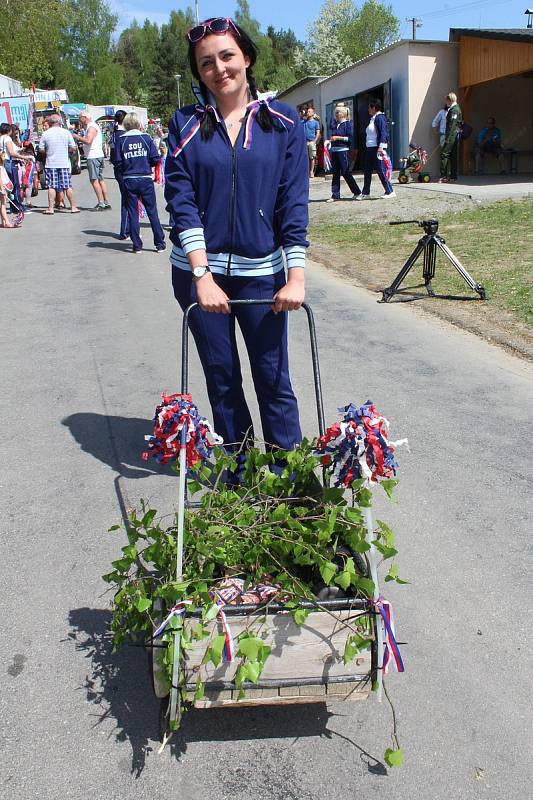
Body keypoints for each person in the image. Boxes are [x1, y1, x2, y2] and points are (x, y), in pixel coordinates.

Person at [165, 16, 308, 474]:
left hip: (260, 273)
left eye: (227, 56)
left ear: (246, 57)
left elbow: (293, 204)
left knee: (272, 377)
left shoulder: (282, 122)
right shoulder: (185, 123)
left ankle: (292, 481)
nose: (219, 68)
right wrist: (202, 275)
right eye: (206, 62)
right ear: (198, 71)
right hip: (197, 274)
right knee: (223, 379)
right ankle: (242, 478)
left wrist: (296, 274)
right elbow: (180, 199)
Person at [115, 112, 165, 254]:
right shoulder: (146, 138)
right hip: (145, 178)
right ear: (139, 123)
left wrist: (126, 169)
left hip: (129, 179)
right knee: (152, 211)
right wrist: (145, 163)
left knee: (133, 212)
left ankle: (137, 245)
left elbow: (117, 162)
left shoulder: (121, 140)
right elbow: (155, 158)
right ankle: (159, 243)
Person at [38, 114, 80, 214]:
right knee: (67, 185)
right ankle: (73, 207)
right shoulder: (66, 132)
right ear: (59, 122)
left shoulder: (46, 134)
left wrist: (47, 152)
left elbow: (40, 149)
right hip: (64, 163)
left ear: (50, 123)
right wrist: (67, 150)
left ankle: (51, 208)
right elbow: (73, 147)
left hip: (51, 163)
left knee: (51, 186)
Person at [356, 98, 395, 199]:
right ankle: (366, 192)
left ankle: (390, 191)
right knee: (367, 170)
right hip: (369, 148)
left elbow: (383, 133)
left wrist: (381, 147)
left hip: (377, 148)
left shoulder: (380, 117)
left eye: (369, 107)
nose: (368, 109)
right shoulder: (372, 119)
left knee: (381, 170)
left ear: (374, 108)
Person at [73, 112, 111, 210]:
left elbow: (88, 141)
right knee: (100, 179)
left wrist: (76, 137)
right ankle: (105, 202)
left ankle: (101, 203)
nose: (79, 120)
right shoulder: (91, 127)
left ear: (85, 118)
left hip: (93, 156)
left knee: (94, 180)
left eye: (80, 118)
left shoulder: (91, 127)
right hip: (96, 155)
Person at [325, 105, 360, 202]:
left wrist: (338, 138)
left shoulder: (347, 124)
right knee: (335, 173)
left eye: (337, 112)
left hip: (343, 151)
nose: (335, 114)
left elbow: (350, 139)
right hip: (335, 150)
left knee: (345, 172)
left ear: (343, 114)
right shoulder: (336, 125)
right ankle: (335, 194)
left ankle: (356, 191)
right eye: (335, 112)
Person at [109, 110, 130, 239]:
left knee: (127, 200)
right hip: (124, 170)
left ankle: (127, 229)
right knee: (128, 201)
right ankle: (126, 230)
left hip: (118, 170)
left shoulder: (115, 135)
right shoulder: (122, 136)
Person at [439, 92, 462, 184]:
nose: (446, 102)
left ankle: (444, 176)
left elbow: (452, 125)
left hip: (451, 135)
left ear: (450, 100)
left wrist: (447, 137)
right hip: (454, 134)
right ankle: (453, 176)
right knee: (453, 156)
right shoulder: (453, 109)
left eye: (447, 100)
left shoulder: (454, 110)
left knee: (444, 154)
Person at [0, 151, 21, 228]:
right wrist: (2, 188)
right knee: (3, 205)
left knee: (2, 204)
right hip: (3, 188)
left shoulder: (2, 166)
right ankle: (7, 222)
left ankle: (3, 222)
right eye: (3, 156)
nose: (5, 157)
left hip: (4, 187)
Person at [303, 106, 321, 178]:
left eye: (309, 111)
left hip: (311, 141)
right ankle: (306, 172)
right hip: (304, 142)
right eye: (307, 112)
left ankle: (311, 171)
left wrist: (315, 141)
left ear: (313, 113)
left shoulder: (316, 122)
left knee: (312, 157)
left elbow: (318, 132)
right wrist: (304, 114)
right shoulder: (304, 122)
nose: (308, 113)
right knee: (305, 157)